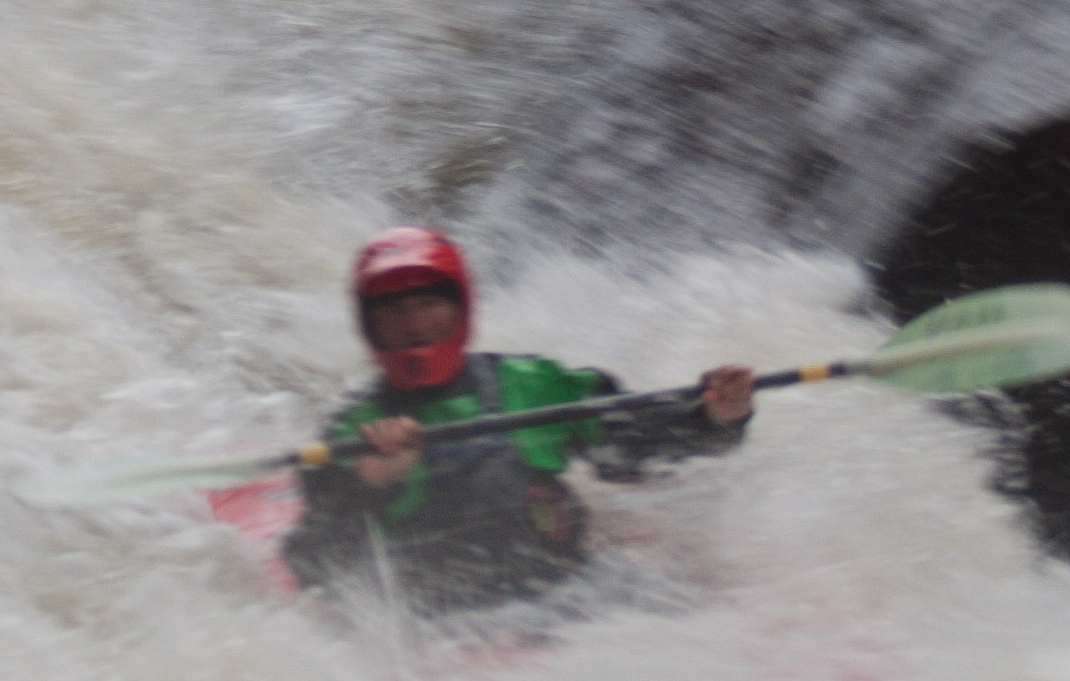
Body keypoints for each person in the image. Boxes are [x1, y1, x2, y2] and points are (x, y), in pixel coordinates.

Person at [280, 228, 755, 619]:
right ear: (369, 326)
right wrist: (369, 484)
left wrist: (711, 418)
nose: (412, 325)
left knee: (692, 611)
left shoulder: (529, 383)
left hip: (567, 596)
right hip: (440, 625)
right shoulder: (354, 428)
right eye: (392, 311)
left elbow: (631, 445)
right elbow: (314, 561)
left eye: (428, 305)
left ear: (462, 308)